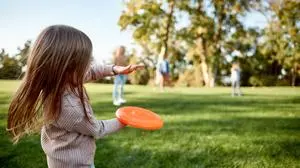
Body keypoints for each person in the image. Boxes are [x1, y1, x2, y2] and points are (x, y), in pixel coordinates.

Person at [6, 25, 143, 168]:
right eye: (85, 62)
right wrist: (125, 119)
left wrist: (114, 69)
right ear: (69, 67)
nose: (89, 65)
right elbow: (97, 129)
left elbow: (92, 72)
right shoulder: (68, 108)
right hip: (75, 164)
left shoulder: (61, 81)